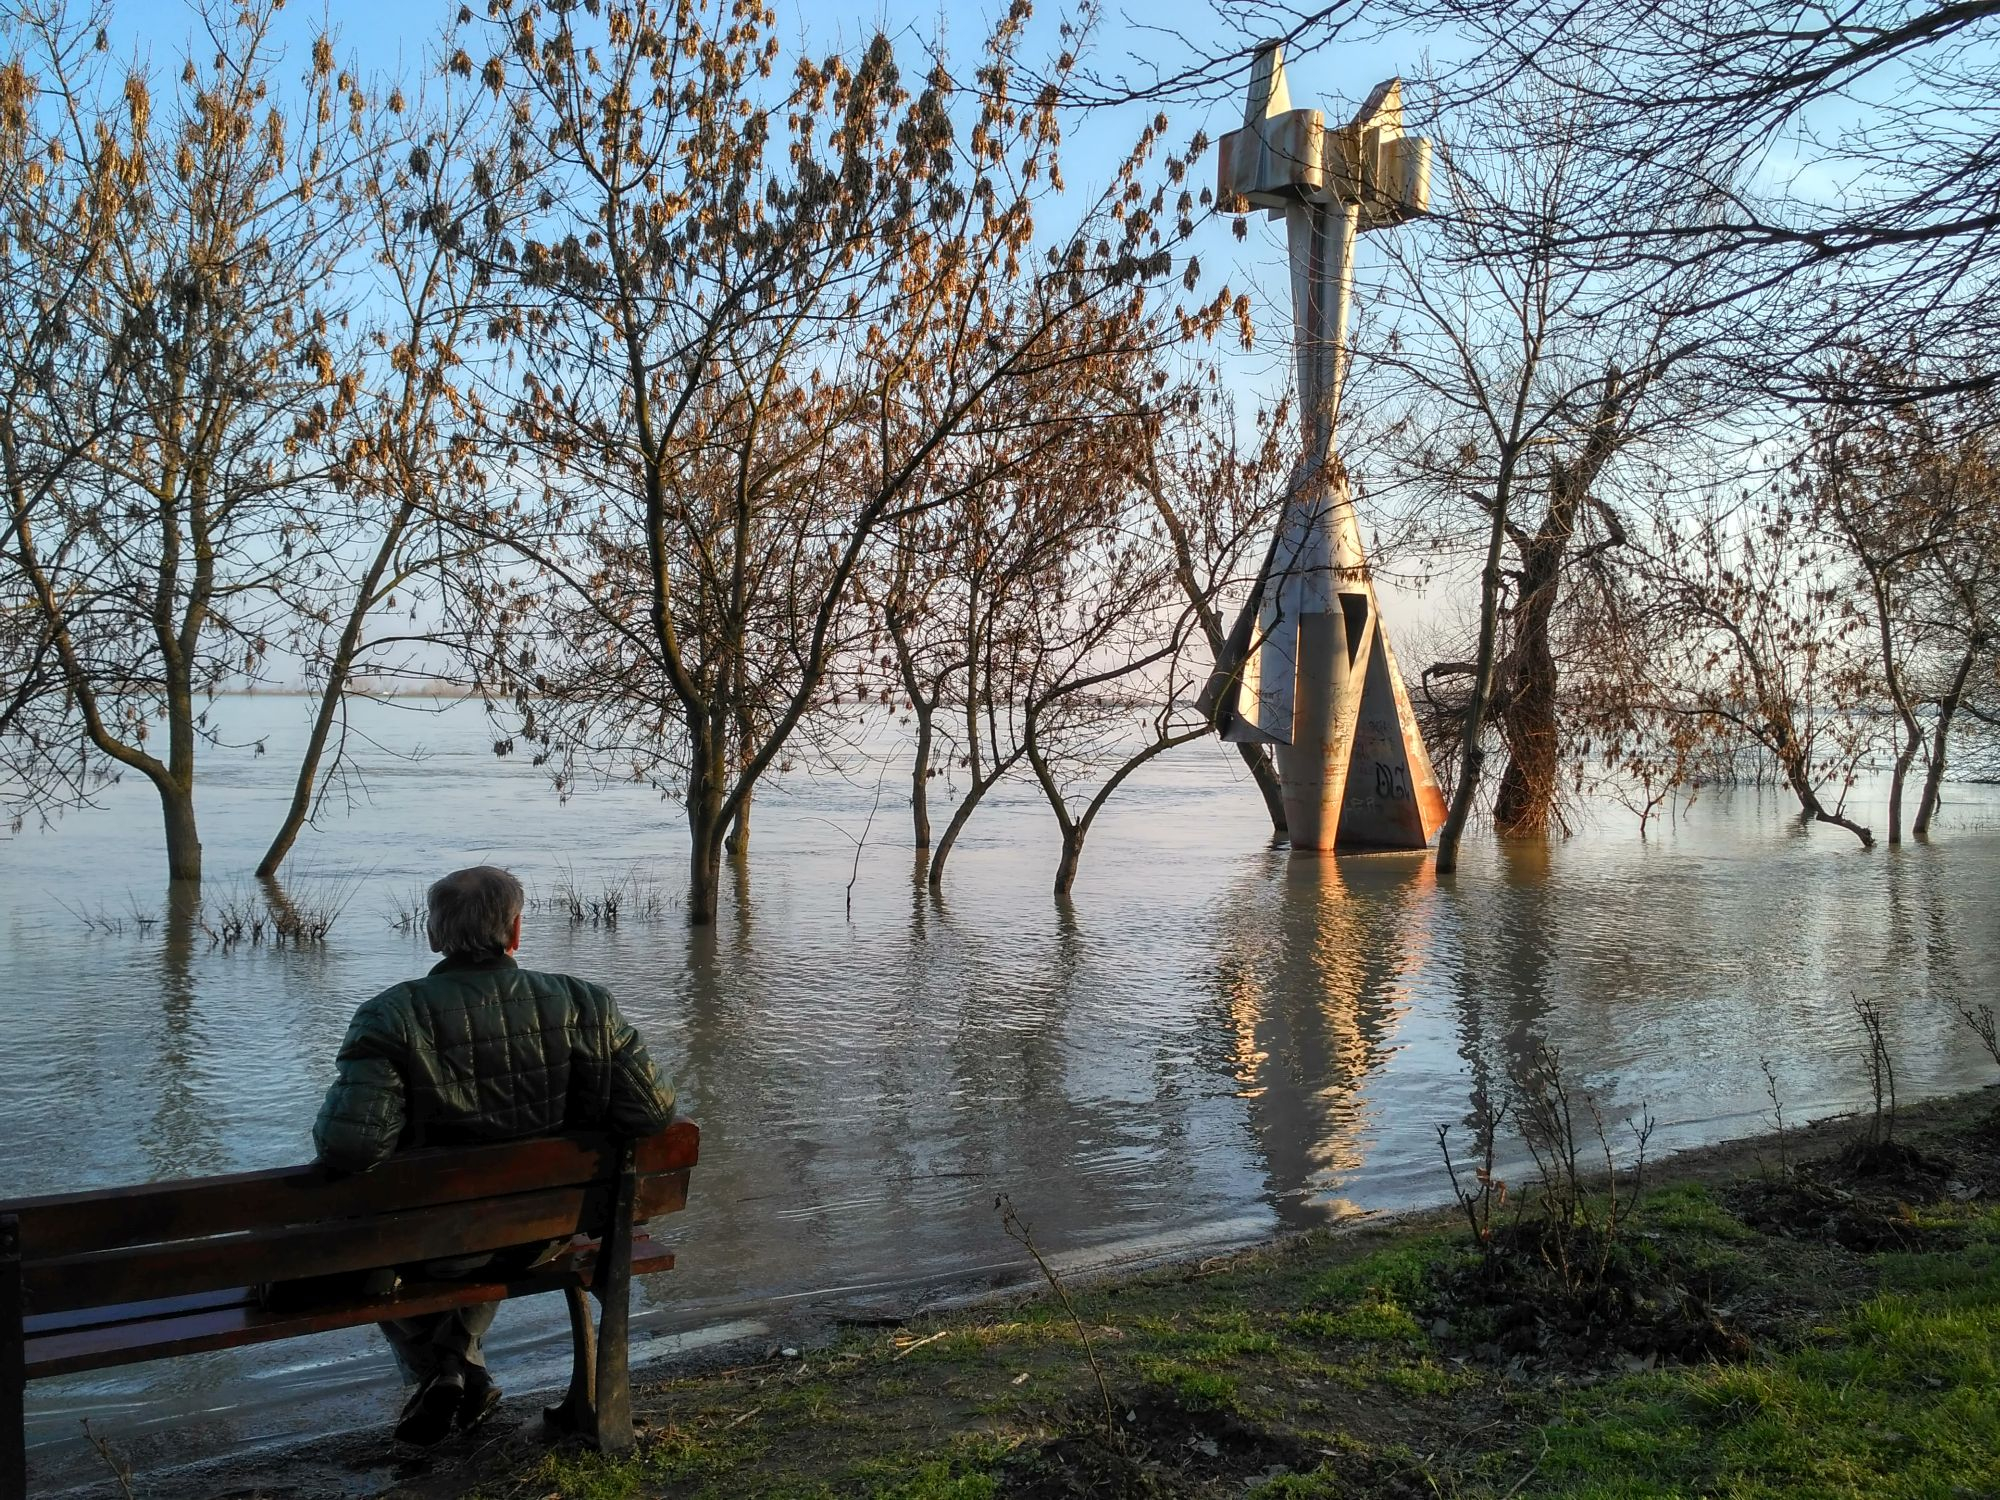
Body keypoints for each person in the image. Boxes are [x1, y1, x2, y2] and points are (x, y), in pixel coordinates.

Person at [313, 865, 676, 1446]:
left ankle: (446, 1370)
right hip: (547, 1232)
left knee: (382, 1242)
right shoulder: (585, 1004)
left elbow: (350, 1147)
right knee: (481, 1232)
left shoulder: (391, 1015)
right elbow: (653, 1113)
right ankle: (459, 1365)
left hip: (428, 1242)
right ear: (515, 931)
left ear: (434, 934)